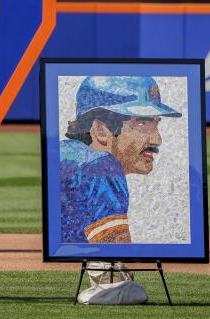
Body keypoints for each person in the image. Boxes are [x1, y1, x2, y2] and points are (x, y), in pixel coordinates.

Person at [60, 76, 181, 243]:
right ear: (101, 130)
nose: (157, 139)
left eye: (156, 124)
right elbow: (115, 255)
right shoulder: (102, 167)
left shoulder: (63, 154)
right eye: (141, 124)